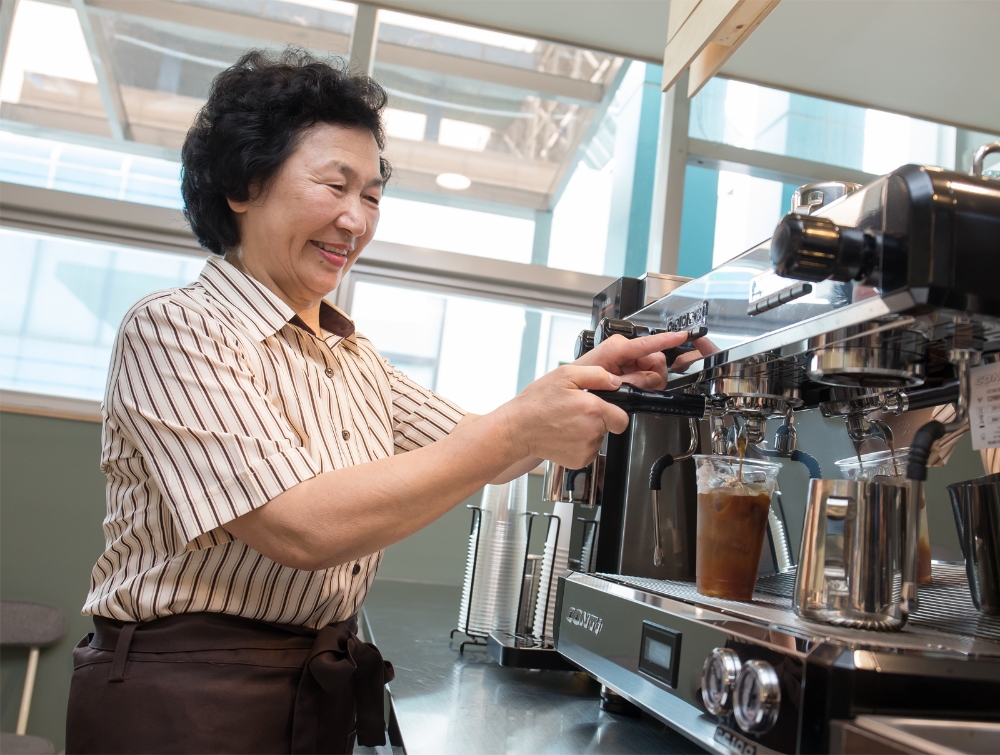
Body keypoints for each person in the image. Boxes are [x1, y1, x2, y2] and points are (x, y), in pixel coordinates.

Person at [65, 48, 703, 754]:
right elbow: (299, 525)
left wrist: (593, 380)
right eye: (334, 186)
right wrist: (520, 426)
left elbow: (489, 446)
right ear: (243, 184)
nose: (355, 220)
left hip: (313, 685)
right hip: (181, 696)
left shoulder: (354, 356)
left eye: (370, 195)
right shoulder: (175, 329)